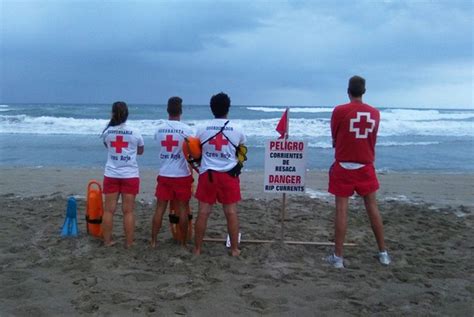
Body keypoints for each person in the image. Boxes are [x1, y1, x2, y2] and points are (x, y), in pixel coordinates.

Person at [326, 76, 391, 268]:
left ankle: (338, 257)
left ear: (348, 91)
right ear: (364, 91)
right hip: (365, 166)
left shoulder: (339, 111)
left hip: (344, 166)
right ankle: (383, 253)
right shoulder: (375, 113)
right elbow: (371, 138)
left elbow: (335, 138)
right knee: (372, 208)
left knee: (341, 210)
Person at [193, 92, 246, 256]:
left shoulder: (201, 128)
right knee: (231, 212)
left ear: (211, 109)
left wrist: (197, 166)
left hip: (207, 174)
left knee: (203, 212)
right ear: (228, 108)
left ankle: (197, 249)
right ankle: (235, 249)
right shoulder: (237, 129)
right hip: (229, 175)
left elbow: (194, 150)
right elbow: (242, 150)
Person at [151, 96, 194, 248]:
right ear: (180, 111)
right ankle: (182, 243)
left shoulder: (159, 129)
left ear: (167, 110)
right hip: (182, 175)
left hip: (164, 174)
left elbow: (159, 144)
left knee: (160, 209)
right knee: (183, 209)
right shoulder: (187, 130)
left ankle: (154, 241)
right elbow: (191, 152)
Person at [101, 101, 144, 248]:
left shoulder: (107, 132)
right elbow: (140, 151)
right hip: (130, 175)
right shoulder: (135, 132)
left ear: (113, 113)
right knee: (128, 211)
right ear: (127, 114)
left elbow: (108, 147)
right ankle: (129, 243)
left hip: (111, 173)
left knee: (108, 210)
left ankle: (107, 241)